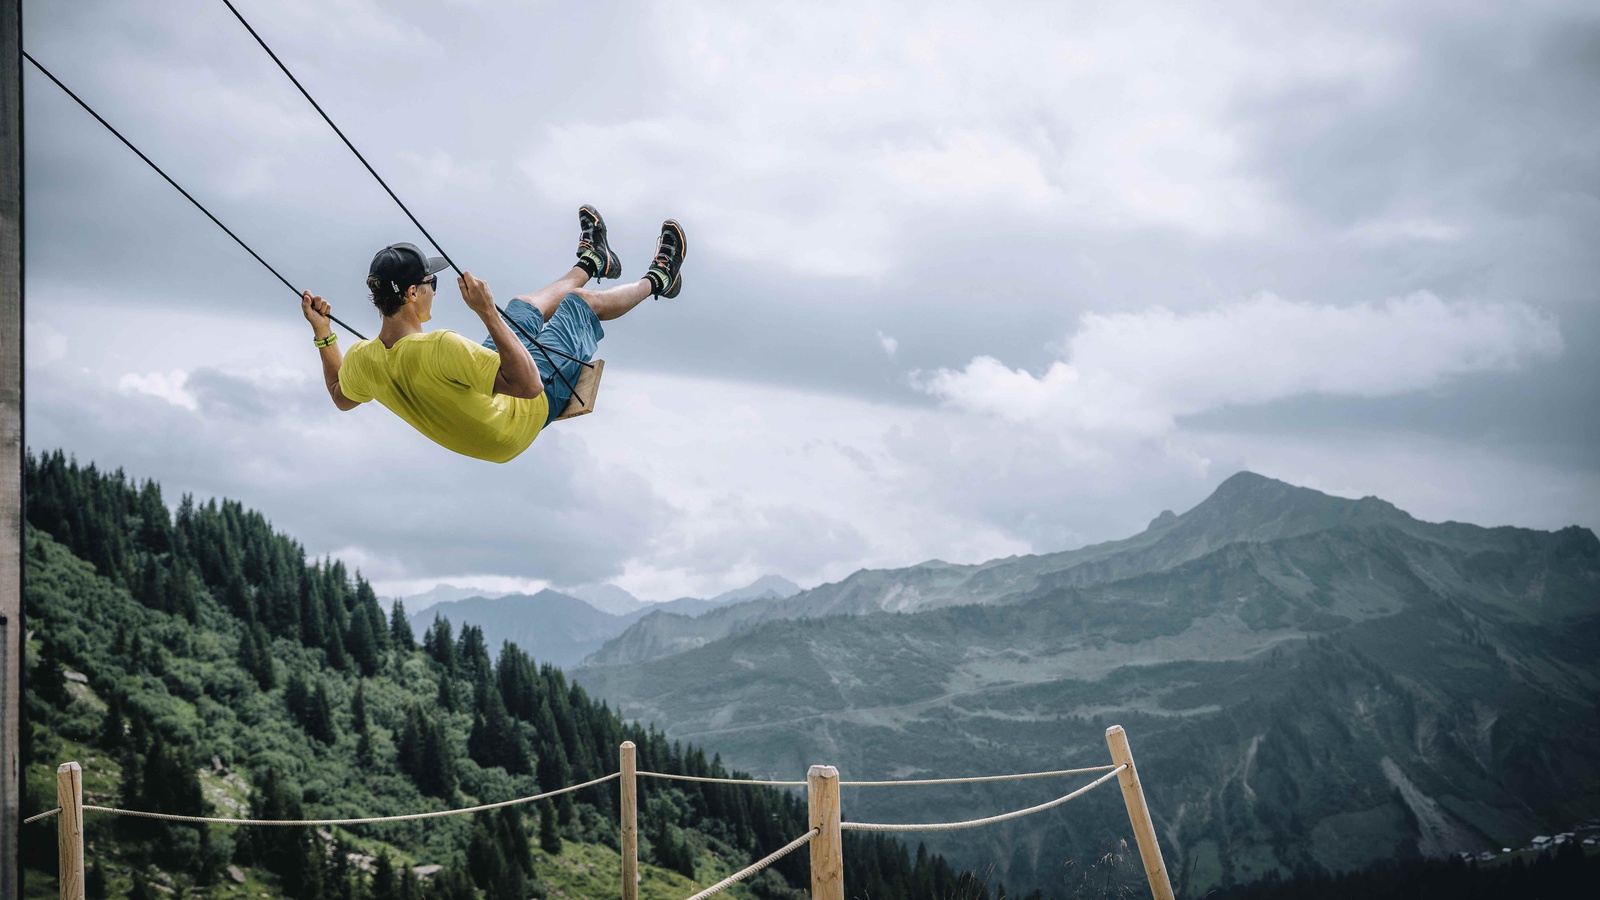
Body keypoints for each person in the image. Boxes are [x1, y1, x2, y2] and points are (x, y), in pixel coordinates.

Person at [299, 208, 686, 463]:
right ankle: (660, 279)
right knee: (581, 305)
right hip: (517, 420)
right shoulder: (440, 346)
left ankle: (593, 261)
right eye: (432, 282)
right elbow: (529, 384)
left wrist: (324, 334)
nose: (436, 288)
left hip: (485, 415)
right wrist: (486, 313)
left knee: (522, 307)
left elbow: (339, 394)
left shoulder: (365, 358)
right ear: (413, 293)